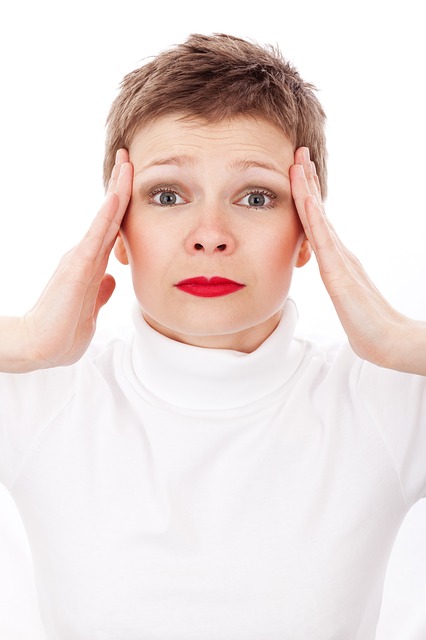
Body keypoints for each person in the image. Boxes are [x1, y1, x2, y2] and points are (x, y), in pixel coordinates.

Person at [0, 32, 425, 640]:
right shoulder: (38, 397)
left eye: (256, 196)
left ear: (309, 232)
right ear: (117, 229)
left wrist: (404, 342)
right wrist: (19, 342)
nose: (210, 235)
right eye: (167, 194)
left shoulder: (388, 402)